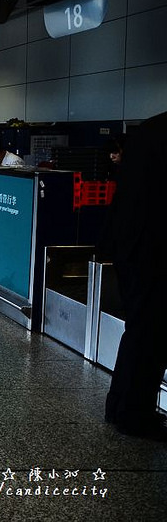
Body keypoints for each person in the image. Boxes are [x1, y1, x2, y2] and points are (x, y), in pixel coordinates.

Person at [104, 111, 167, 441]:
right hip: (155, 252)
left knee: (139, 331)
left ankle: (118, 404)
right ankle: (135, 414)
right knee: (152, 336)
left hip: (130, 246)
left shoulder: (148, 130)